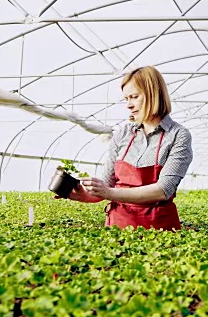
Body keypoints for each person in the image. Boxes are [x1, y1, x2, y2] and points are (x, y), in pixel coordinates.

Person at [62, 66, 193, 231]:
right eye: (126, 99)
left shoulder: (178, 135)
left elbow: (163, 190)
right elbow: (107, 184)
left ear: (153, 95)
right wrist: (80, 194)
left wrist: (108, 193)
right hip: (118, 225)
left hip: (159, 230)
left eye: (134, 97)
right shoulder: (123, 133)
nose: (129, 105)